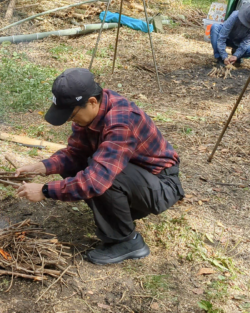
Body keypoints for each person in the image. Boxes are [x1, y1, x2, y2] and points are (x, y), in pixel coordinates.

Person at [15, 68, 185, 265]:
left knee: (103, 176)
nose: (71, 121)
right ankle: (117, 216)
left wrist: (45, 191)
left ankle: (127, 242)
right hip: (136, 178)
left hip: (161, 185)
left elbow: (97, 180)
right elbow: (74, 154)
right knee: (81, 165)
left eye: (72, 115)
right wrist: (41, 167)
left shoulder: (121, 121)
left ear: (92, 102)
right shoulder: (91, 113)